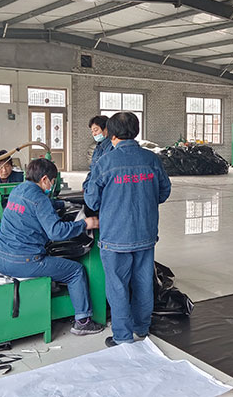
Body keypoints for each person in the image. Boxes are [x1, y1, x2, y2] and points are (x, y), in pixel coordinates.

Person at [84, 112, 171, 347]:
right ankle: (141, 328)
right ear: (136, 131)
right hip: (145, 233)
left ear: (111, 134)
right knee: (143, 282)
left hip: (115, 235)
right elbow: (164, 191)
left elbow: (92, 200)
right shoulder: (151, 159)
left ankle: (122, 336)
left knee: (117, 285)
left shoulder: (105, 162)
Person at [0, 158, 104, 336]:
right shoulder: (40, 199)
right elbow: (56, 232)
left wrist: (63, 203)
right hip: (24, 262)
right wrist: (85, 223)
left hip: (0, 259)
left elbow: (38, 206)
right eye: (52, 181)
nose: (51, 185)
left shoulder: (18, 189)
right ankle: (83, 321)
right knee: (75, 271)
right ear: (44, 179)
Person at [83, 115, 113, 191]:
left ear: (106, 129)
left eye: (96, 130)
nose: (94, 134)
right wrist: (86, 185)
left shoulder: (112, 148)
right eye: (92, 131)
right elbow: (93, 170)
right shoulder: (98, 148)